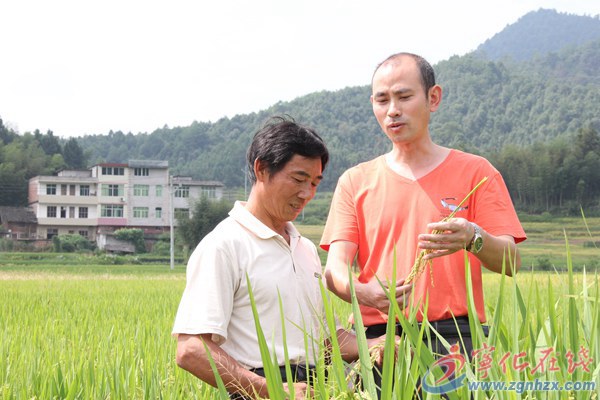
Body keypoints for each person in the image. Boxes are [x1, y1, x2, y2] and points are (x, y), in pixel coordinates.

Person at [320, 52, 527, 360]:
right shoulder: (355, 181)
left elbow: (511, 261)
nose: (393, 110)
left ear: (433, 98)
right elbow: (334, 270)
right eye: (382, 100)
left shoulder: (477, 172)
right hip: (378, 342)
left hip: (454, 339)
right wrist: (364, 293)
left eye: (404, 97)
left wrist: (473, 237)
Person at [173, 116, 391, 400]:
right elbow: (191, 349)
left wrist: (375, 344)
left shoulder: (305, 249)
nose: (307, 194)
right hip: (257, 389)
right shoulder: (224, 245)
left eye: (314, 183)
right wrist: (271, 390)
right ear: (262, 169)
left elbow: (325, 342)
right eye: (298, 179)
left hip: (312, 389)